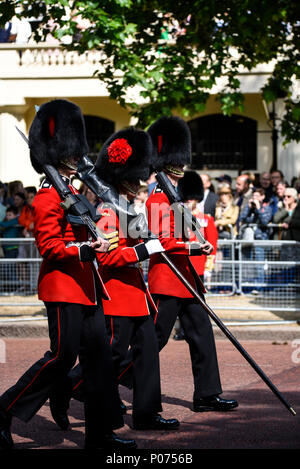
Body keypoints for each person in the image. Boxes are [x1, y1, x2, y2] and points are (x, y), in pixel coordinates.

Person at [0, 99, 136, 450]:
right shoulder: (47, 197)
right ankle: (4, 408)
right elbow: (49, 246)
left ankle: (101, 433)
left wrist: (98, 240)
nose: (77, 158)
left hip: (89, 288)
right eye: (72, 152)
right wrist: (86, 249)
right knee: (61, 357)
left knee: (100, 362)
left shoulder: (74, 194)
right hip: (62, 288)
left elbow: (82, 233)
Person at [63, 127, 179, 431]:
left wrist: (144, 240)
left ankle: (147, 413)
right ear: (122, 181)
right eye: (132, 182)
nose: (136, 187)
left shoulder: (127, 210)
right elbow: (108, 258)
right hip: (117, 298)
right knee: (112, 356)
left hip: (138, 298)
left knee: (147, 356)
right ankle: (68, 386)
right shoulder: (108, 213)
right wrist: (142, 249)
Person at [132, 116, 238, 413]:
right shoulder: (157, 199)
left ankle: (207, 394)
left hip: (187, 279)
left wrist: (196, 241)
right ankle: (94, 382)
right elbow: (163, 242)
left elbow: (183, 234)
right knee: (153, 340)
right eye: (176, 169)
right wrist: (193, 246)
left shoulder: (173, 197)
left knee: (202, 334)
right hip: (167, 279)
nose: (179, 174)